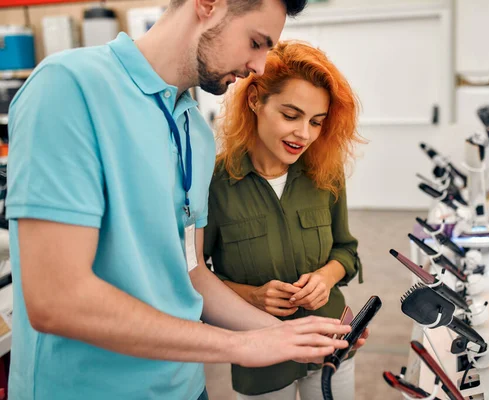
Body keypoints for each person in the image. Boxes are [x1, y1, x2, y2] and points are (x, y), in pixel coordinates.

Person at [5, 1, 366, 399]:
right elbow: (57, 300)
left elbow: (191, 273)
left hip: (185, 388)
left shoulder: (193, 126)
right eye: (255, 42)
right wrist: (240, 345)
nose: (260, 67)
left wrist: (289, 334)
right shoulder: (69, 87)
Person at [204, 41, 366, 399]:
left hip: (330, 341)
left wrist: (326, 277)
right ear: (255, 101)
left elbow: (347, 251)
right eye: (291, 116)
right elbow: (195, 277)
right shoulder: (214, 184)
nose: (304, 134)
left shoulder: (325, 173)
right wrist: (251, 296)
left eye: (316, 122)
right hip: (260, 354)